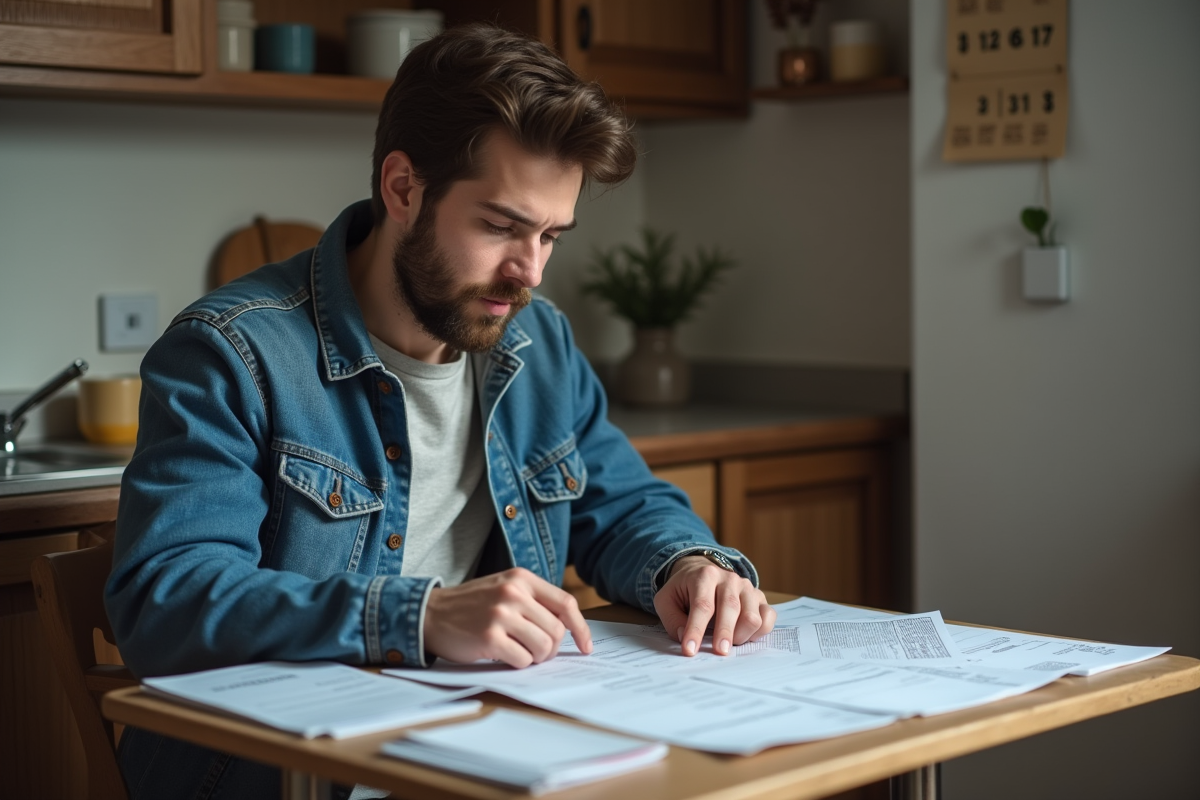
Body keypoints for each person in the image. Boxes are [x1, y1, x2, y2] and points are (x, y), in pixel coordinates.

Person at [105, 22, 776, 799]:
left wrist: (689, 564)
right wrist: (416, 616)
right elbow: (165, 599)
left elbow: (622, 505)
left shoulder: (539, 344)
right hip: (284, 779)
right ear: (402, 189)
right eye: (499, 227)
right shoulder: (231, 353)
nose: (527, 271)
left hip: (491, 762)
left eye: (551, 235)